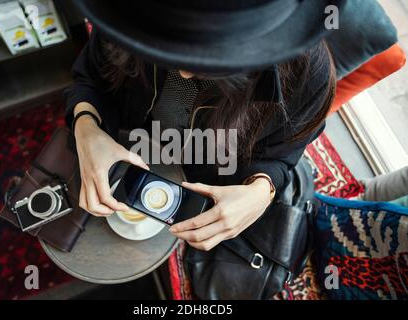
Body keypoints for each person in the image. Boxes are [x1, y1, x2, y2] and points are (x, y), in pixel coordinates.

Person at [64, 0, 341, 251]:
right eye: (167, 49)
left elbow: (280, 156)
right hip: (128, 151)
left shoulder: (307, 77)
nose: (183, 73)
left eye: (211, 59)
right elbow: (91, 79)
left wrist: (260, 192)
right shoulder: (128, 15)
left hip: (212, 183)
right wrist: (87, 128)